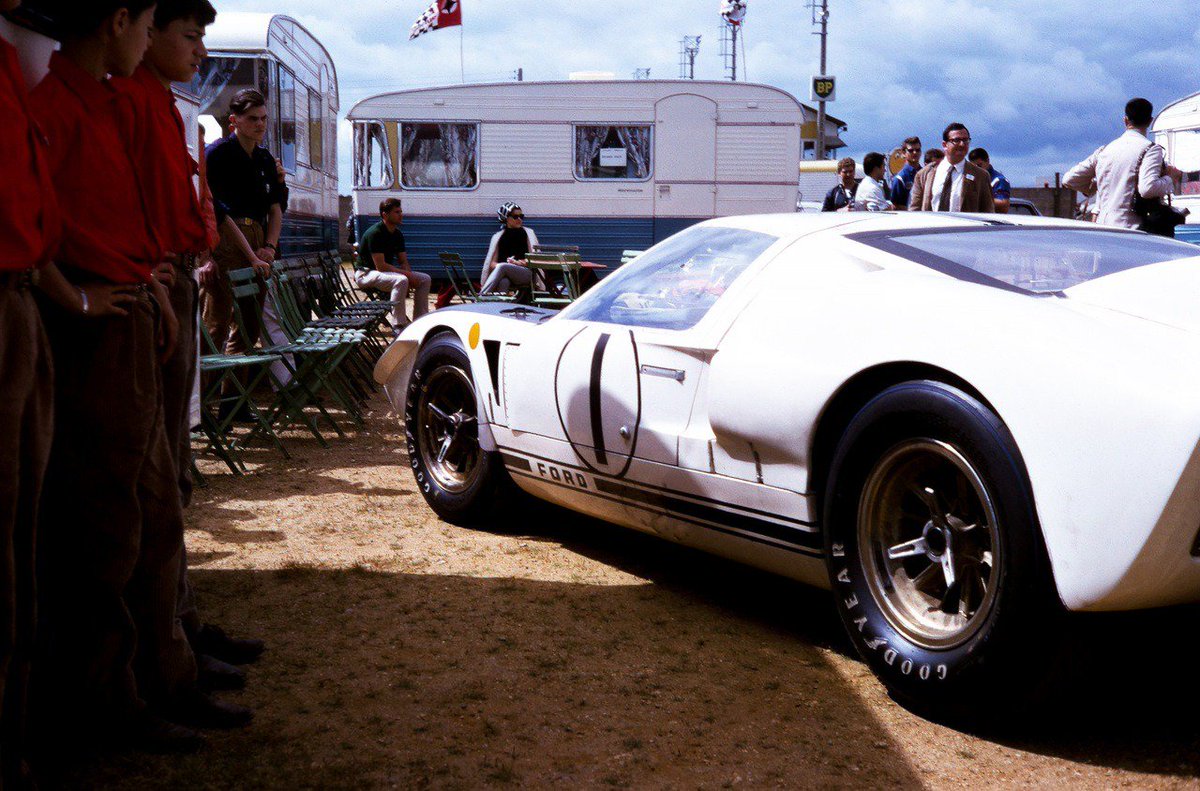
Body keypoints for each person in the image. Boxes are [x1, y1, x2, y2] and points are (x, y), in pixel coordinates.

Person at [28, 0, 247, 754]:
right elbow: (39, 227)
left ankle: (163, 668)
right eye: (157, 24)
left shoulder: (118, 98)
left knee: (151, 498)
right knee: (109, 515)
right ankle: (115, 690)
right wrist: (85, 293)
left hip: (136, 299)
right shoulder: (63, 103)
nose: (165, 41)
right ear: (121, 22)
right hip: (105, 314)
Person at [113, 0, 263, 697]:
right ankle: (163, 643)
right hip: (157, 278)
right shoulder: (135, 103)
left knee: (176, 463)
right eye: (185, 35)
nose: (200, 49)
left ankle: (180, 619)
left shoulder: (172, 107)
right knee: (159, 471)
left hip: (175, 273)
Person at [200, 88, 284, 362]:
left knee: (249, 327)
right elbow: (214, 210)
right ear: (234, 120)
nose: (259, 124)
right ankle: (203, 399)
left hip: (257, 237)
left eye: (263, 118)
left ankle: (232, 402)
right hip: (226, 239)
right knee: (217, 323)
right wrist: (211, 255)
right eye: (252, 119)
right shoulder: (217, 154)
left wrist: (269, 247)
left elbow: (275, 207)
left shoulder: (264, 159)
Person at [1063, 97, 1182, 231]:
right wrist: (1170, 178)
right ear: (1150, 121)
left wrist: (1094, 187)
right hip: (1131, 228)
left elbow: (1069, 179)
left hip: (1102, 226)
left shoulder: (1105, 150)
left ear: (1125, 120)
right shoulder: (1151, 149)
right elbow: (1147, 189)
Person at [355, 198, 431, 328]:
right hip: (366, 274)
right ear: (385, 214)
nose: (401, 214)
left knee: (425, 279)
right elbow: (381, 266)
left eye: (401, 211)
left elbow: (403, 261)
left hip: (383, 274)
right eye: (397, 212)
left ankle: (419, 322)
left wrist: (409, 273)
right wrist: (407, 276)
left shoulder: (397, 234)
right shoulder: (375, 233)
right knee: (401, 280)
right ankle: (399, 325)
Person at [909, 123, 995, 213]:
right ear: (944, 144)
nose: (962, 144)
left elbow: (988, 213)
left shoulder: (981, 176)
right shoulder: (924, 174)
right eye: (956, 140)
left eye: (965, 140)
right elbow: (914, 211)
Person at [480, 202, 543, 295]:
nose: (519, 219)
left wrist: (516, 263)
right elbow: (492, 263)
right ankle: (500, 307)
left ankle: (482, 296)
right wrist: (507, 265)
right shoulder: (499, 236)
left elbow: (535, 259)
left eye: (521, 216)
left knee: (503, 267)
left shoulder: (528, 234)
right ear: (506, 218)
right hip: (505, 272)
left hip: (527, 274)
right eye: (515, 216)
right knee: (503, 281)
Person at [968, 148, 1012, 213]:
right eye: (973, 166)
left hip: (993, 220)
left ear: (987, 161)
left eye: (979, 165)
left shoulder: (999, 181)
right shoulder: (970, 178)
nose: (976, 169)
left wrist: (974, 201)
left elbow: (1003, 204)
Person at [889, 136, 921, 211]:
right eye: (910, 150)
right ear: (903, 153)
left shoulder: (925, 174)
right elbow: (896, 206)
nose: (915, 152)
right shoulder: (900, 178)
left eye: (917, 150)